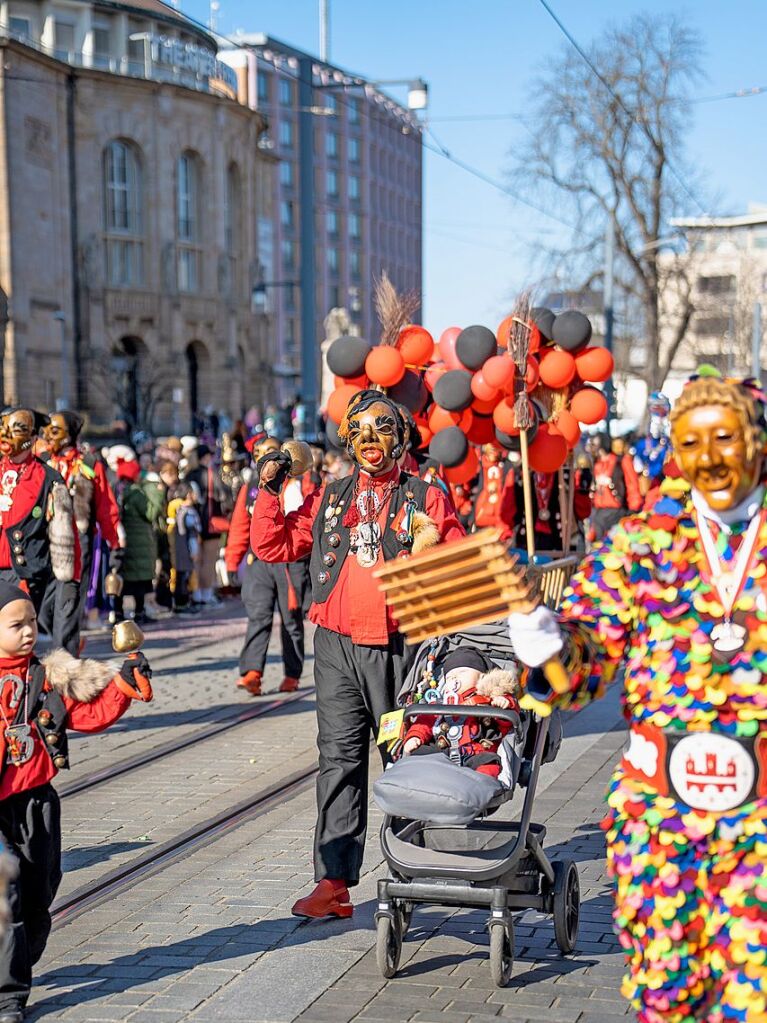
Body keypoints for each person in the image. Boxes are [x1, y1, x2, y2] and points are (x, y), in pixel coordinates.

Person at [507, 373, 767, 1023]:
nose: (706, 456)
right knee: (665, 994)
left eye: (723, 438)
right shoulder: (641, 541)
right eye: (688, 442)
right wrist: (546, 644)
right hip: (660, 816)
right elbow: (587, 664)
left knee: (753, 997)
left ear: (757, 442)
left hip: (760, 821)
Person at [251, 390, 464, 919]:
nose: (371, 439)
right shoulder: (329, 496)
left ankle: (412, 874)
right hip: (336, 649)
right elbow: (274, 546)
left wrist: (432, 547)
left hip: (400, 649)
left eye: (383, 428)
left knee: (408, 760)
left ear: (403, 437)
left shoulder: (426, 495)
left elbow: (455, 561)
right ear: (347, 440)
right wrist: (272, 491)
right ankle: (334, 882)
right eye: (361, 430)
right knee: (338, 763)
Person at [0, 581, 152, 1021]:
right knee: (5, 898)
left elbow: (87, 714)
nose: (29, 631)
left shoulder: (47, 677)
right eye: (16, 625)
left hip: (38, 803)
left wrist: (123, 683)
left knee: (38, 893)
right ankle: (9, 997)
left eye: (31, 622)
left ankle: (17, 961)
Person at [225, 437, 310, 696]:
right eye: (259, 453)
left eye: (270, 452)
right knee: (258, 615)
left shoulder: (293, 483)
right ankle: (252, 672)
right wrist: (232, 559)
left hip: (288, 560)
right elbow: (240, 523)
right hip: (259, 561)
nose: (265, 457)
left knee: (290, 620)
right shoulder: (250, 486)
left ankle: (292, 674)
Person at [0, 410, 79, 656]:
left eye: (16, 428)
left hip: (24, 571)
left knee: (15, 639)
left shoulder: (48, 479)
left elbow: (63, 533)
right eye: (3, 427)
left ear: (33, 436)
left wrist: (68, 575)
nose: (6, 434)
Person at [41, 412, 124, 630]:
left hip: (79, 539)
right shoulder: (42, 462)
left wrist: (113, 540)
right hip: (42, 538)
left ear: (71, 434)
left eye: (55, 430)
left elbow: (106, 505)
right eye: (46, 430)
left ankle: (67, 643)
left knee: (71, 594)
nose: (48, 435)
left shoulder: (89, 463)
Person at [112, 459, 164, 625]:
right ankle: (139, 612)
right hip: (139, 541)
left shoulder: (118, 490)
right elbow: (150, 513)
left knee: (122, 577)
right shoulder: (136, 493)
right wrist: (158, 493)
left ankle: (119, 613)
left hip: (124, 541)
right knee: (140, 579)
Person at [184, 445, 228, 606]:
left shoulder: (189, 475)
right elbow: (223, 496)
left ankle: (196, 594)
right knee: (209, 561)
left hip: (192, 524)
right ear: (206, 457)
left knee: (196, 561)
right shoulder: (210, 474)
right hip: (210, 525)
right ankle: (206, 594)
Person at [590, 433, 643, 542]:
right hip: (598, 508)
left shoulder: (620, 461)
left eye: (595, 445)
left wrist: (634, 507)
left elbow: (631, 483)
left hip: (616, 508)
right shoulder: (597, 464)